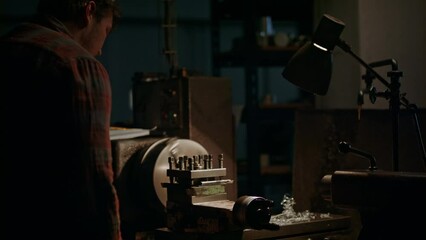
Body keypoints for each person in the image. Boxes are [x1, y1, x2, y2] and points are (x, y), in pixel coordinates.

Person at [0, 1, 122, 239]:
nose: (99, 51)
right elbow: (95, 183)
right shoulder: (79, 66)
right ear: (88, 12)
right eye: (105, 31)